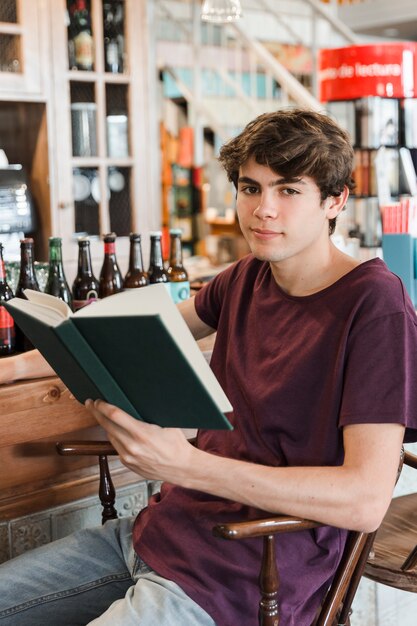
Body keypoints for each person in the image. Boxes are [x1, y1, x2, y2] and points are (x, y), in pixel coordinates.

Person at [1, 108, 417, 626]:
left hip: (250, 570)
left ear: (334, 201)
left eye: (288, 191)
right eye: (250, 187)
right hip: (159, 534)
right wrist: (11, 371)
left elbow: (364, 501)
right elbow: (112, 341)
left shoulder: (375, 305)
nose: (263, 210)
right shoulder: (245, 277)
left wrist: (185, 465)